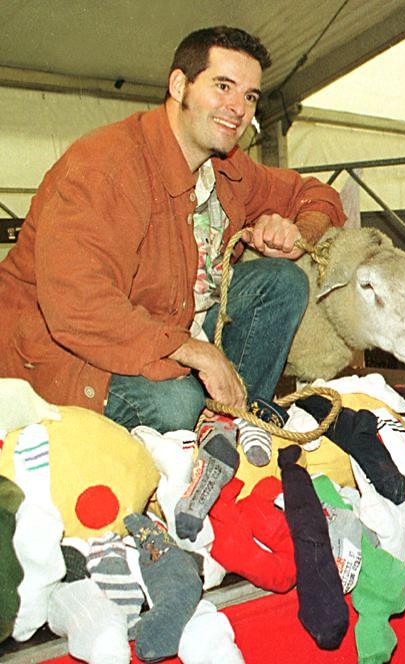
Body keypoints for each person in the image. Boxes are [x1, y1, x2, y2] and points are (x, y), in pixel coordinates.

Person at [0, 26, 345, 433]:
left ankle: (235, 423)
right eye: (223, 86)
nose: (238, 108)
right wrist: (194, 352)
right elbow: (77, 307)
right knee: (176, 402)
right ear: (179, 85)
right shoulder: (105, 169)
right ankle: (195, 417)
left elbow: (315, 194)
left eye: (250, 96)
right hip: (61, 352)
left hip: (164, 324)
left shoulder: (226, 166)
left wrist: (296, 232)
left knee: (281, 282)